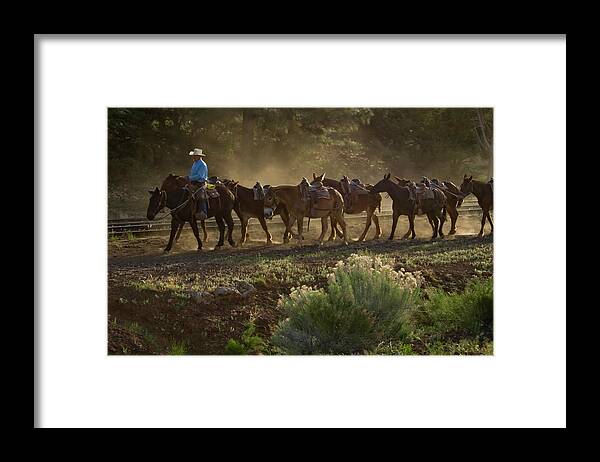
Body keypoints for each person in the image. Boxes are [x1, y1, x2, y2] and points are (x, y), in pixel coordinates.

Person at [185, 148, 209, 220]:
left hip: (201, 183)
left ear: (199, 156)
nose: (193, 157)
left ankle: (203, 211)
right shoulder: (195, 163)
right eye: (193, 156)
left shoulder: (202, 165)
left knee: (200, 194)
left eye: (195, 156)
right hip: (194, 182)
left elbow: (200, 176)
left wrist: (189, 178)